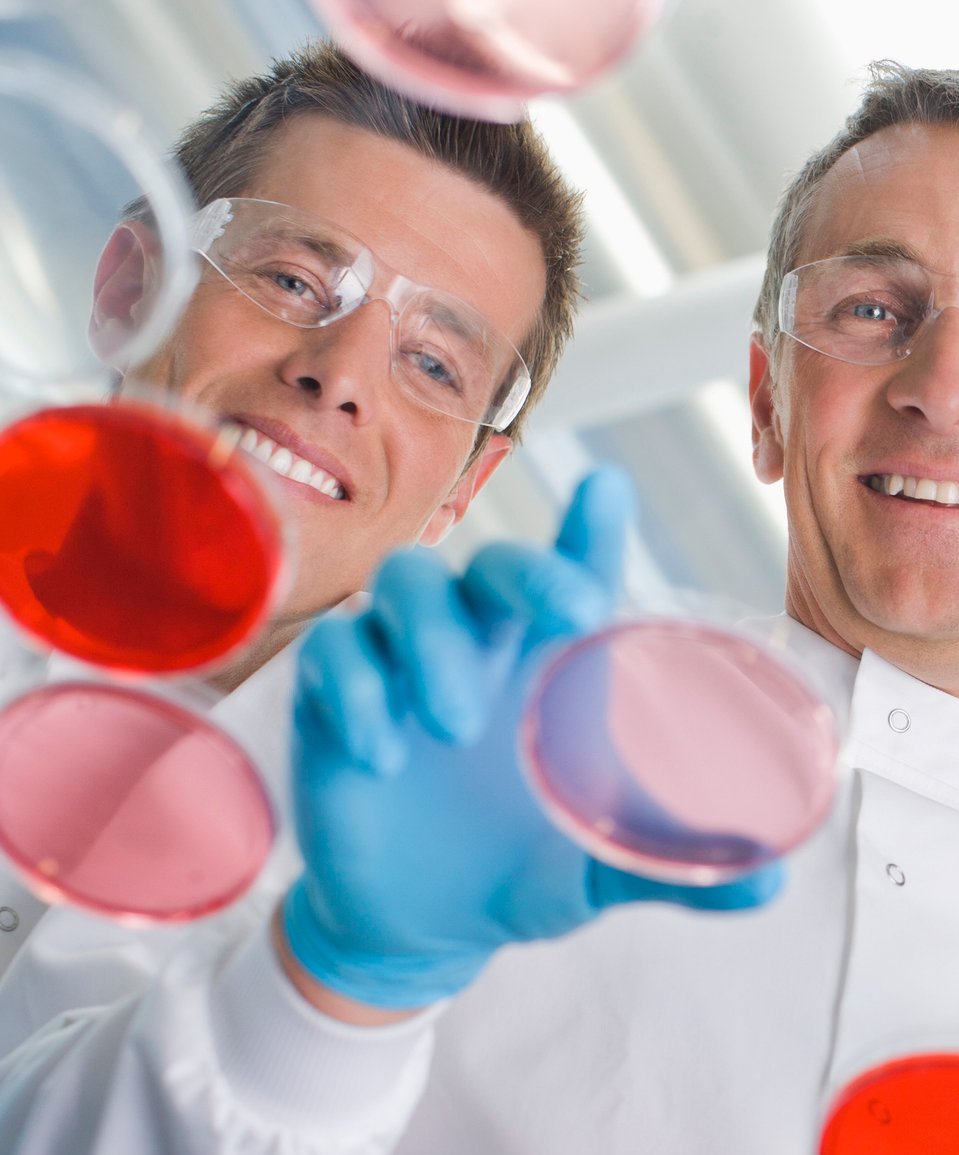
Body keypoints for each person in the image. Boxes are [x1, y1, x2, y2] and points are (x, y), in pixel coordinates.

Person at [0, 63, 959, 1155]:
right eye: (869, 309)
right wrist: (334, 986)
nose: (945, 387)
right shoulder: (435, 709)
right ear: (768, 400)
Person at [0, 44, 582, 978]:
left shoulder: (382, 912)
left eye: (434, 363)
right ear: (130, 293)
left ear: (460, 496)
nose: (339, 374)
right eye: (293, 281)